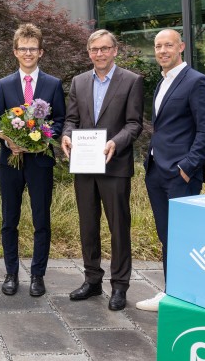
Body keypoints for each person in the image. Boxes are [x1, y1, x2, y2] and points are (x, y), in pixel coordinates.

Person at [61, 29, 143, 311]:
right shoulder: (79, 81)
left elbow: (134, 124)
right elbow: (71, 119)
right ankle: (92, 280)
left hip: (115, 165)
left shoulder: (131, 81)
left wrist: (115, 143)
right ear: (89, 53)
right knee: (88, 226)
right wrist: (66, 135)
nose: (99, 54)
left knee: (119, 227)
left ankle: (119, 286)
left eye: (105, 49)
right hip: (84, 165)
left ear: (115, 51)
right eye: (94, 49)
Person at [136, 28, 205, 312]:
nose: (162, 51)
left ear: (181, 46)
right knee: (167, 235)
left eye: (168, 45)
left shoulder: (197, 82)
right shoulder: (163, 82)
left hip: (180, 174)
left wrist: (187, 167)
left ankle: (182, 296)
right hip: (157, 170)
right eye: (158, 46)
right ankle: (174, 294)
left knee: (183, 236)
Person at [0, 23, 65, 297]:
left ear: (41, 52)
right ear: (15, 52)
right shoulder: (5, 84)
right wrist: (8, 139)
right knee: (9, 219)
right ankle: (11, 273)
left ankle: (38, 274)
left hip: (40, 162)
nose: (27, 53)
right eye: (22, 49)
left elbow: (60, 120)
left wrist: (43, 138)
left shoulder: (53, 84)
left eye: (32, 49)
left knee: (40, 220)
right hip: (10, 161)